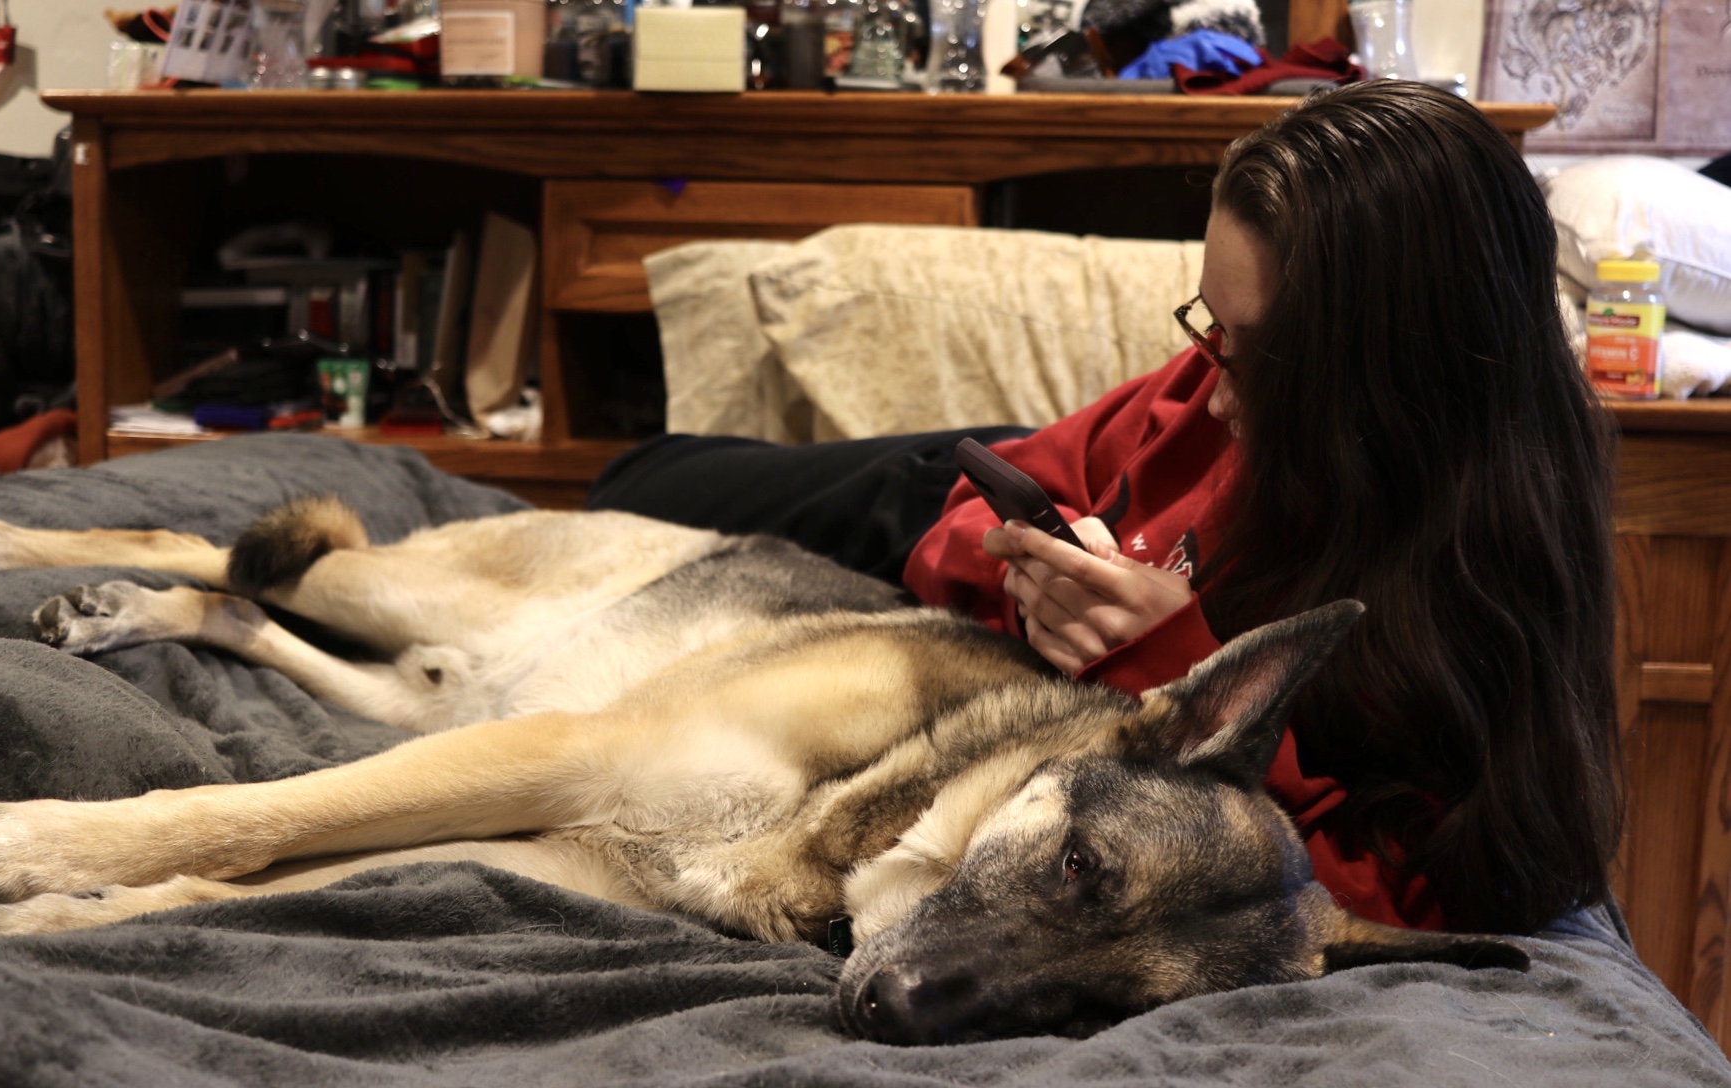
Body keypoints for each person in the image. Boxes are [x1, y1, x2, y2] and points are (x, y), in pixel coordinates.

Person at [587, 80, 1621, 938]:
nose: (1211, 391)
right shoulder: (1217, 388)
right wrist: (1021, 574)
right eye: (1211, 328)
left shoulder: (1480, 575)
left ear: (1395, 375)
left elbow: (1416, 898)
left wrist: (1169, 671)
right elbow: (971, 506)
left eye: (1262, 357)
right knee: (646, 478)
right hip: (936, 501)